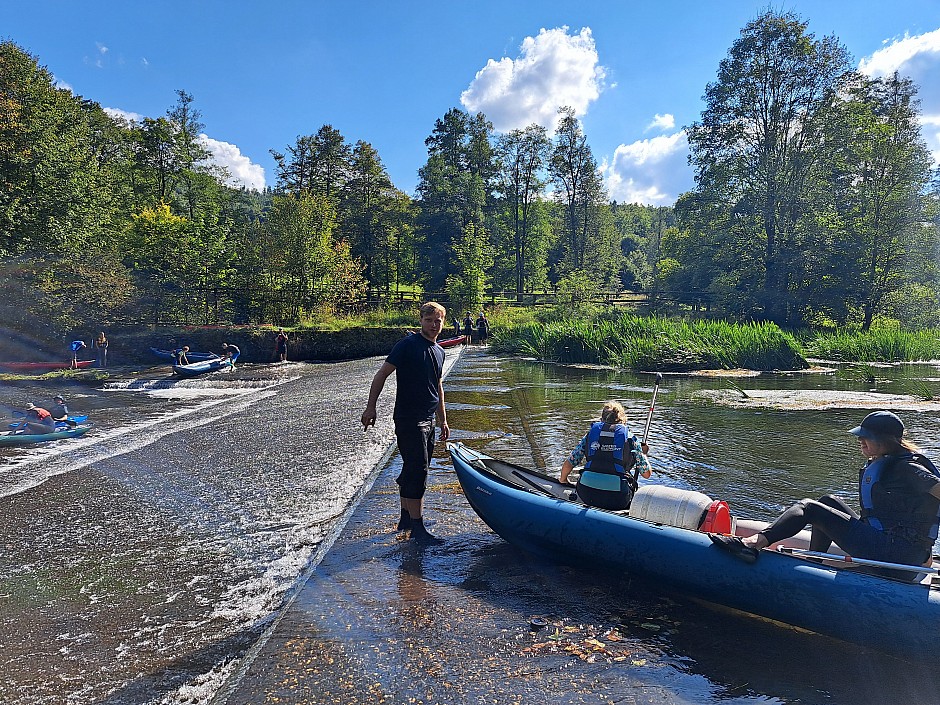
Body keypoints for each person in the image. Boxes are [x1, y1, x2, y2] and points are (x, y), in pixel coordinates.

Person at [712, 411, 940, 570]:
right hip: (894, 548)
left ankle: (752, 545)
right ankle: (815, 564)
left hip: (894, 553)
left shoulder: (907, 468)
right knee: (828, 502)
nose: (860, 439)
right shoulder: (892, 462)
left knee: (809, 508)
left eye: (867, 436)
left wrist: (921, 549)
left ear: (887, 440)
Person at [361, 301, 449, 544]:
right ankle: (418, 529)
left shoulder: (439, 351)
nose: (434, 325)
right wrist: (371, 407)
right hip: (409, 418)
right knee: (418, 471)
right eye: (429, 320)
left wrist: (443, 420)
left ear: (443, 322)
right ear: (421, 320)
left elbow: (438, 387)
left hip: (429, 419)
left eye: (438, 320)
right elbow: (382, 374)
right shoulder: (407, 345)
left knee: (412, 468)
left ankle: (405, 518)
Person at [559, 401, 651, 510]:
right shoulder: (631, 439)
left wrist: (563, 480)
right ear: (623, 420)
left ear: (601, 419)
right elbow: (646, 474)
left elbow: (569, 463)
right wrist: (643, 453)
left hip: (586, 493)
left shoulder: (590, 435)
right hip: (618, 498)